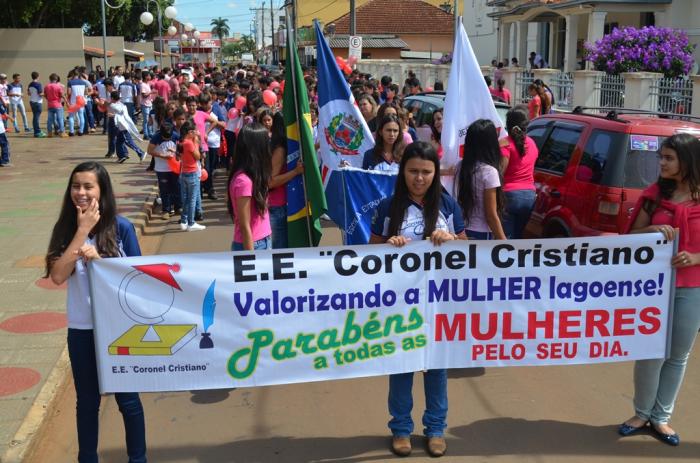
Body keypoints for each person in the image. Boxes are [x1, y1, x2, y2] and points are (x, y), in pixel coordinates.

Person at [44, 161, 147, 463]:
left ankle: (138, 459)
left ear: (102, 190)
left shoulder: (122, 228)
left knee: (128, 401)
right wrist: (82, 232)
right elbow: (58, 276)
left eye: (88, 186)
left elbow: (138, 281)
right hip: (82, 329)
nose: (81, 192)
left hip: (119, 328)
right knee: (87, 403)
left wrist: (100, 260)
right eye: (76, 186)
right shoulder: (65, 228)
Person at [369, 141, 466, 458]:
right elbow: (368, 256)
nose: (420, 178)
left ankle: (436, 429)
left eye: (426, 172)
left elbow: (468, 251)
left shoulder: (449, 207)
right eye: (413, 171)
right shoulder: (387, 207)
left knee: (436, 370)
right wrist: (389, 246)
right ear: (403, 172)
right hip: (400, 304)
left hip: (438, 303)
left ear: (436, 173)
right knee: (402, 367)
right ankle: (400, 429)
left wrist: (451, 240)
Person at [618, 133, 700, 447]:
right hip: (651, 289)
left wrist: (694, 257)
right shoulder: (654, 195)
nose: (661, 163)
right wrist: (652, 229)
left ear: (688, 162)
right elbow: (631, 237)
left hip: (691, 288)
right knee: (650, 352)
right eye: (661, 157)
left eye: (669, 158)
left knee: (678, 356)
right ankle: (641, 414)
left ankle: (661, 417)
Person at [455, 119, 506, 240]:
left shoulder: (460, 166)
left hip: (461, 230)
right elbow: (491, 215)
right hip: (482, 233)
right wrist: (505, 242)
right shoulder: (489, 172)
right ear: (491, 143)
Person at [227, 123, 272, 250]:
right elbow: (244, 225)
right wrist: (250, 259)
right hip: (253, 245)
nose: (269, 145)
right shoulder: (244, 181)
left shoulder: (255, 175)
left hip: (263, 240)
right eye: (266, 141)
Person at [500, 107, 538, 239]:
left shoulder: (505, 143)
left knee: (507, 239)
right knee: (518, 237)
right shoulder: (533, 143)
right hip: (529, 196)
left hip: (509, 196)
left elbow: (500, 173)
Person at [268, 112, 304, 248]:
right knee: (280, 248)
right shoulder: (280, 150)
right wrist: (295, 172)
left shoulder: (285, 145)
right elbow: (270, 181)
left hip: (287, 203)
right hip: (278, 205)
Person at [178, 120, 206, 231]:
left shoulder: (181, 142)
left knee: (186, 199)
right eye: (194, 131)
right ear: (190, 132)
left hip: (184, 173)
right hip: (192, 173)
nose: (196, 132)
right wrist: (196, 142)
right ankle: (191, 223)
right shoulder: (189, 143)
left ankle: (184, 221)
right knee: (192, 199)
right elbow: (198, 156)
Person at [44, 73, 67, 138]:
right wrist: (67, 102)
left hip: (50, 105)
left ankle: (49, 133)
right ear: (56, 79)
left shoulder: (46, 86)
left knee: (50, 120)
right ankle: (62, 133)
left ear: (50, 79)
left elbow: (45, 95)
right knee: (60, 119)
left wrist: (49, 99)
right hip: (58, 104)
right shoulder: (58, 86)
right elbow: (62, 95)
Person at [28, 71, 46, 137]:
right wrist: (46, 94)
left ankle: (36, 131)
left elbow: (29, 93)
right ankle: (37, 132)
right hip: (37, 102)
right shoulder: (38, 84)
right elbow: (40, 94)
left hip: (32, 102)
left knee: (35, 117)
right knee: (36, 117)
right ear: (38, 76)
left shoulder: (30, 84)